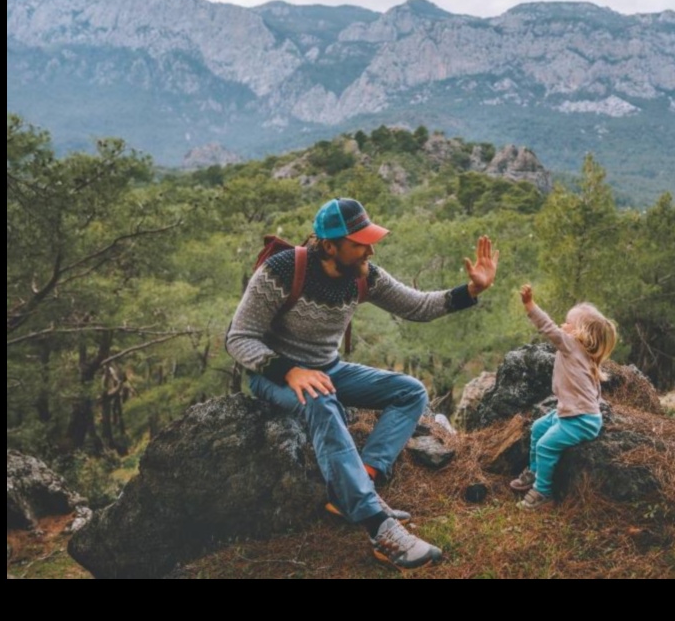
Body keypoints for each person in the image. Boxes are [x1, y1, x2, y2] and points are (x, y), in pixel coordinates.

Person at [226, 198, 498, 569]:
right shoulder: (283, 271)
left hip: (329, 368)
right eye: (360, 242)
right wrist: (290, 371)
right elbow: (239, 338)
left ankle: (361, 481)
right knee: (320, 399)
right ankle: (379, 528)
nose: (370, 249)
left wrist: (471, 290)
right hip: (273, 377)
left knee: (410, 391)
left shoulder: (363, 275)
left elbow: (417, 306)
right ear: (329, 245)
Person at [510, 284, 617, 509]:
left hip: (580, 420)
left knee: (546, 446)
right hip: (570, 413)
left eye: (568, 322)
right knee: (538, 428)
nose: (563, 324)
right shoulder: (584, 354)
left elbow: (548, 328)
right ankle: (536, 471)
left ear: (580, 332)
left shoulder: (571, 345)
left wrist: (530, 305)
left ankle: (543, 492)